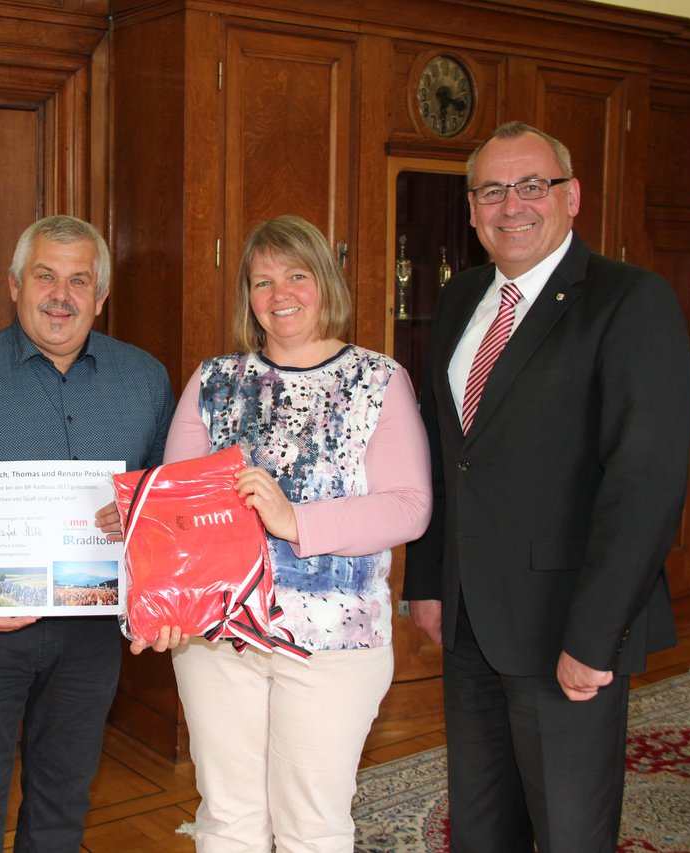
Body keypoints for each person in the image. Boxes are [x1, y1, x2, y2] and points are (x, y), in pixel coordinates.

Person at [403, 121, 690, 853]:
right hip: (472, 621)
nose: (514, 205)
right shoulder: (463, 296)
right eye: (493, 190)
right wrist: (430, 582)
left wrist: (596, 637)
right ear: (471, 210)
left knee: (569, 830)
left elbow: (646, 482)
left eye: (534, 185)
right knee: (481, 823)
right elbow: (449, 456)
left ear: (573, 198)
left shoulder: (630, 300)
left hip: (567, 627)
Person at [0, 214, 174, 853]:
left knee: (63, 800)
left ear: (101, 295)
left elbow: (164, 491)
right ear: (15, 284)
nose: (60, 295)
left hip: (93, 625)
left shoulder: (146, 379)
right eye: (45, 276)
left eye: (79, 281)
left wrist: (141, 519)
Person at [151, 214, 432, 852]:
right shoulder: (213, 382)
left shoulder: (378, 380)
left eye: (297, 276)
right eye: (262, 281)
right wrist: (159, 585)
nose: (281, 295)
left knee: (312, 825)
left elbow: (410, 507)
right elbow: (178, 512)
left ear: (324, 282)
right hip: (219, 640)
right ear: (247, 297)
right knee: (227, 819)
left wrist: (293, 520)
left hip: (337, 641)